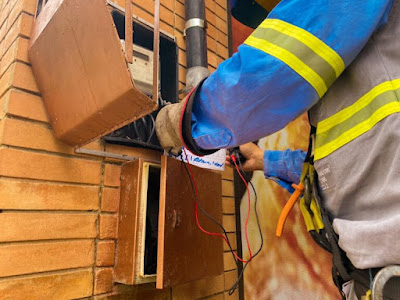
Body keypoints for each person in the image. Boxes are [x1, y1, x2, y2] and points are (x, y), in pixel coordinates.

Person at [155, 0, 400, 299]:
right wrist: (265, 161)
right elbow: (346, 162)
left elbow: (265, 76)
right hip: (376, 276)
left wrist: (185, 121)